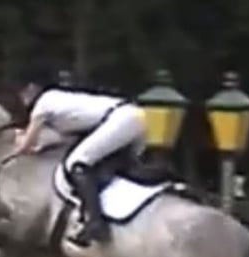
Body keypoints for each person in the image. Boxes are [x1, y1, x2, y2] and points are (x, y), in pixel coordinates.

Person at [13, 69, 148, 246]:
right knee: (99, 168)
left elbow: (24, 146)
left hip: (123, 120)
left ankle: (96, 223)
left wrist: (19, 139)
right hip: (134, 118)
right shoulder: (58, 101)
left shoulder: (43, 103)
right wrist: (39, 148)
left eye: (22, 92)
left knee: (76, 164)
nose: (21, 98)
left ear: (31, 88)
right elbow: (63, 141)